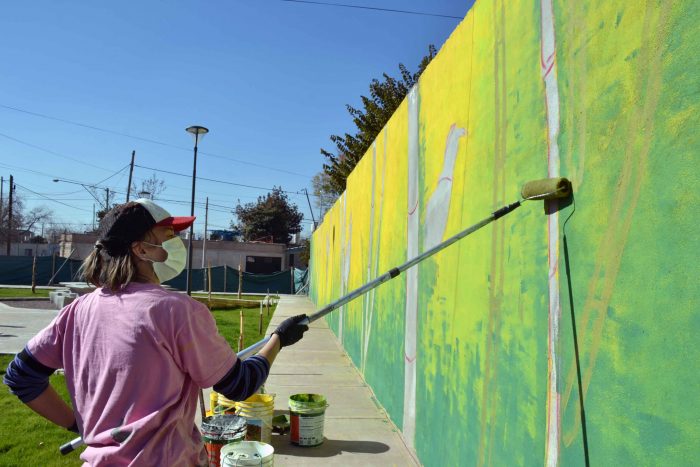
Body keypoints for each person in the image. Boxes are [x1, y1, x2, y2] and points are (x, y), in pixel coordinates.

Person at [3, 199, 309, 466]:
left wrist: (79, 425)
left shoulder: (77, 311)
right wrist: (279, 338)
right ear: (141, 249)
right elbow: (241, 384)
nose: (175, 243)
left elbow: (21, 375)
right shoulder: (176, 310)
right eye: (167, 236)